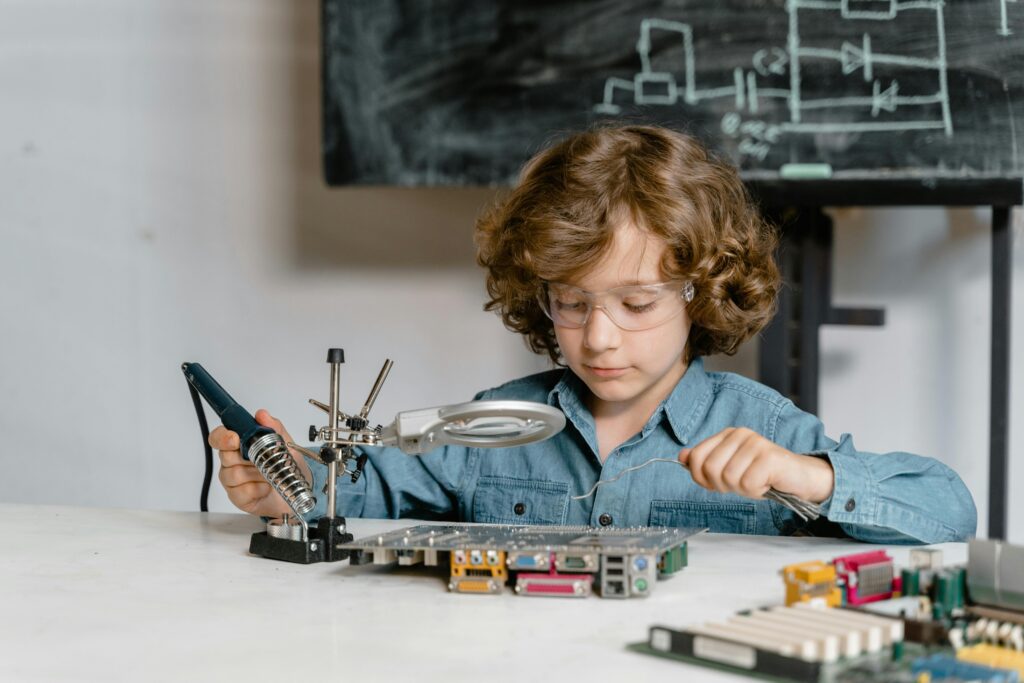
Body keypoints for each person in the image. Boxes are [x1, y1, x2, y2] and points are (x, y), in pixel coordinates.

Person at [211, 124, 976, 544]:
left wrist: (811, 476)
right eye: (571, 303)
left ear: (701, 289)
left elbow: (949, 511)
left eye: (636, 303)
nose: (599, 338)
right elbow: (365, 490)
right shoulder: (494, 424)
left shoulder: (763, 430)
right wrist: (287, 485)